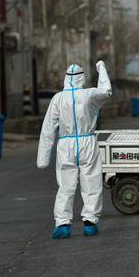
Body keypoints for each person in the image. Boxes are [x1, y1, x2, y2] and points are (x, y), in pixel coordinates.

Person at [37, 61, 112, 239]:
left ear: (66, 78)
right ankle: (90, 222)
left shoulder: (58, 99)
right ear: (82, 78)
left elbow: (48, 128)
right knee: (91, 182)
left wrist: (43, 158)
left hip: (65, 144)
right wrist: (101, 69)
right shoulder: (89, 95)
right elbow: (106, 92)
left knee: (65, 185)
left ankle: (63, 224)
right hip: (87, 142)